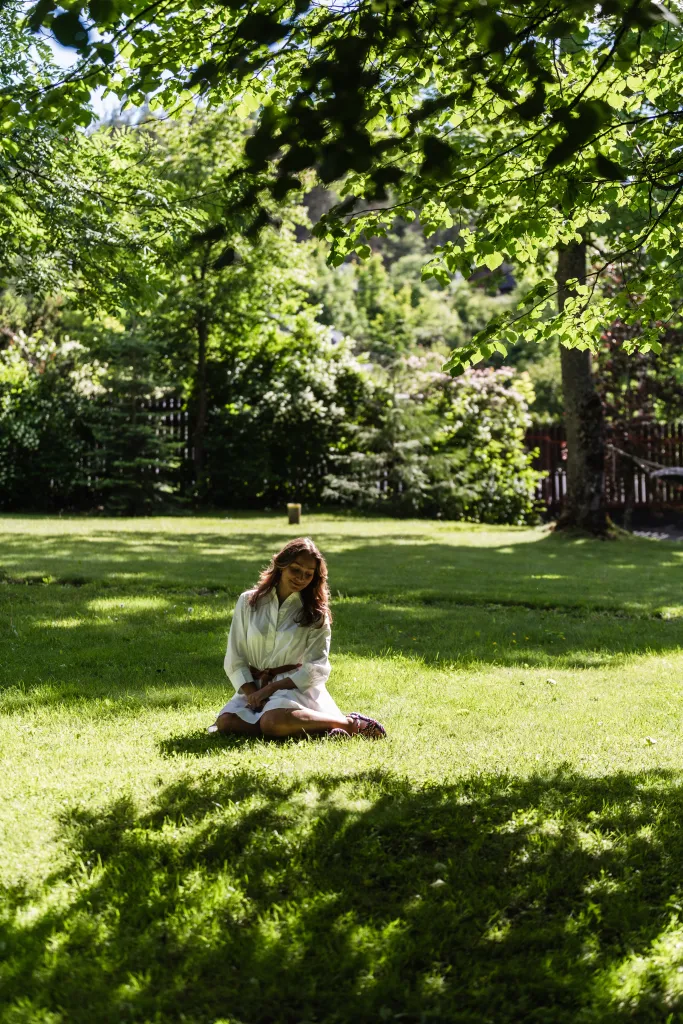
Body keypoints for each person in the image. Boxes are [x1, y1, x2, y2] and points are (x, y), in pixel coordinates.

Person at [209, 537, 386, 740]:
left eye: (308, 574)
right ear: (281, 565)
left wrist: (271, 689)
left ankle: (350, 724)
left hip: (293, 688)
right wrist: (253, 694)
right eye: (295, 570)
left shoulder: (315, 614)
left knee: (271, 721)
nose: (301, 578)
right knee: (226, 723)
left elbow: (316, 668)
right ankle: (310, 728)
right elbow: (235, 658)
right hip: (255, 687)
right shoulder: (248, 602)